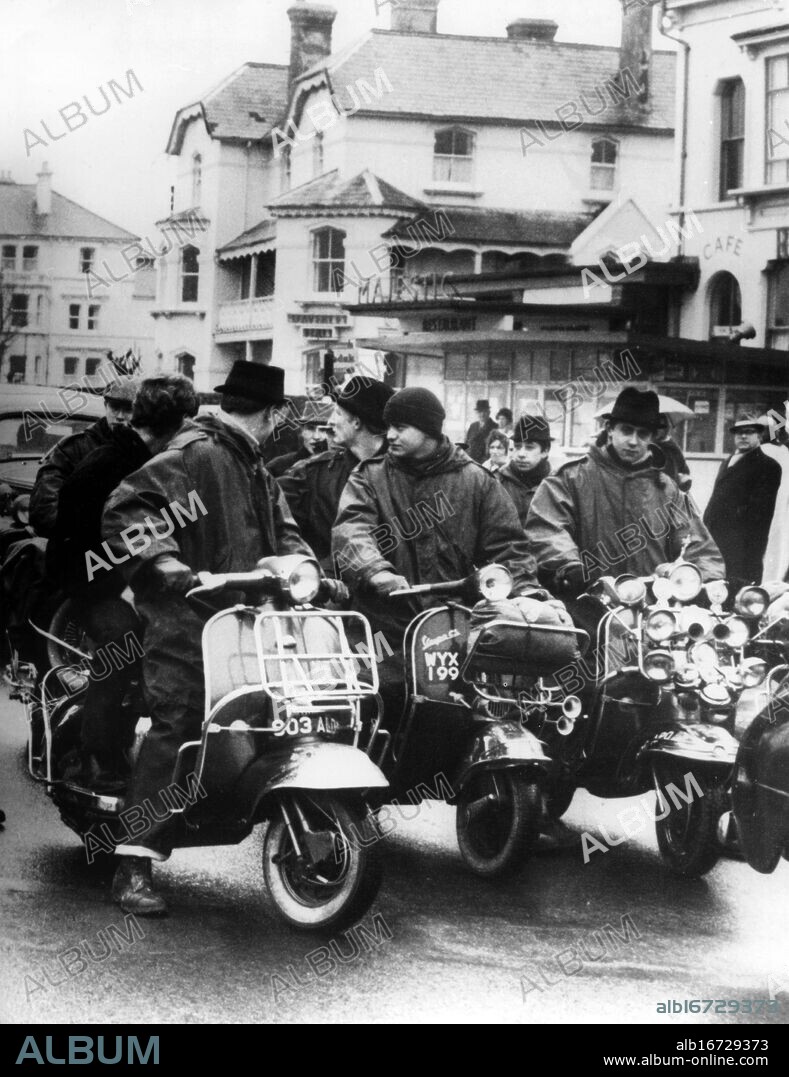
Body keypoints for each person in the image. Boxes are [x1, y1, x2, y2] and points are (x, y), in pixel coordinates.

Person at [102, 361, 321, 916]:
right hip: (186, 620)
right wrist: (165, 561)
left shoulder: (252, 466)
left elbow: (285, 530)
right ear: (272, 415)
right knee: (177, 723)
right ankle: (133, 863)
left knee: (280, 711)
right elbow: (128, 509)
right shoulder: (197, 455)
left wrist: (309, 570)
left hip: (245, 620)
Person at [333, 387, 575, 848]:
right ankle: (349, 799)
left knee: (492, 700)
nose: (392, 434)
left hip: (460, 623)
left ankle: (500, 792)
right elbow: (351, 531)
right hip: (387, 621)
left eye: (401, 426)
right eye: (390, 425)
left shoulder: (478, 482)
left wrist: (525, 594)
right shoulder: (370, 477)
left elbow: (509, 549)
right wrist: (377, 572)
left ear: (429, 429)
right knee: (380, 695)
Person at [51, 376, 199, 791]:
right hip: (91, 583)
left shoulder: (163, 462)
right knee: (123, 640)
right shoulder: (105, 466)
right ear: (179, 421)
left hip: (139, 579)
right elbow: (74, 547)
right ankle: (96, 753)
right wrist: (122, 587)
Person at [526, 387, 725, 602]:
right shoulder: (571, 478)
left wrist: (708, 579)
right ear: (609, 429)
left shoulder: (667, 489)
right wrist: (569, 566)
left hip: (651, 608)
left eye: (642, 434)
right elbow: (547, 528)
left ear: (652, 438)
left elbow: (698, 545)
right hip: (587, 601)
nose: (633, 441)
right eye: (626, 430)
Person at [278, 377, 394, 574]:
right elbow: (274, 515)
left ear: (356, 422)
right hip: (329, 593)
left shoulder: (403, 473)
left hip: (391, 589)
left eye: (338, 414)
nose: (331, 422)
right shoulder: (312, 472)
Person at [30, 377, 140, 538]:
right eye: (115, 407)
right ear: (105, 406)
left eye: (128, 409)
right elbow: (45, 507)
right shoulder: (73, 449)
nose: (120, 416)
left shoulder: (143, 450)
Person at [703, 417, 782, 590]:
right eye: (739, 433)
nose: (743, 436)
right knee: (714, 586)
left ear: (759, 435)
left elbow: (759, 511)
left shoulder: (768, 466)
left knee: (738, 589)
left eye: (749, 432)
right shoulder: (728, 460)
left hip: (742, 543)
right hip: (716, 536)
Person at [498, 415, 553, 528]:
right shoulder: (497, 482)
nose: (521, 454)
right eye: (517, 447)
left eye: (529, 447)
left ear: (545, 451)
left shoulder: (557, 485)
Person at [266, 402, 331, 478]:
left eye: (323, 430)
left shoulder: (340, 467)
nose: (316, 436)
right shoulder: (278, 465)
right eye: (310, 428)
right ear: (301, 430)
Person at [654, 416, 692, 492]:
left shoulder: (672, 449)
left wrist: (682, 480)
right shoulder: (645, 446)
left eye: (660, 427)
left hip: (668, 495)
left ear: (666, 429)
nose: (656, 429)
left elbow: (684, 472)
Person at [464, 399, 496, 464]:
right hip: (471, 461)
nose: (482, 414)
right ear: (477, 413)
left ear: (489, 412)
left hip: (487, 463)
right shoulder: (473, 426)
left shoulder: (495, 427)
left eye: (484, 412)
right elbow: (466, 443)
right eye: (480, 412)